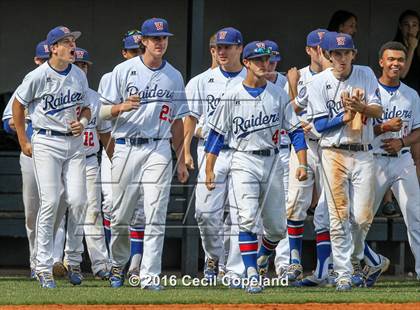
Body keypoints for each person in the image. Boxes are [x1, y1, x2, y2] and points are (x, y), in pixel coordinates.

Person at [205, 40, 308, 293]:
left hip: (273, 160)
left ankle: (263, 255)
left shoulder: (279, 93)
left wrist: (302, 162)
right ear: (247, 63)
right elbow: (216, 136)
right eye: (258, 60)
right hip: (243, 159)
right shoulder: (232, 94)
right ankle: (251, 272)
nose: (264, 64)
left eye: (267, 59)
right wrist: (209, 169)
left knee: (276, 228)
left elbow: (295, 131)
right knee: (247, 218)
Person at [99, 17, 189, 289]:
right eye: (154, 39)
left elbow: (178, 120)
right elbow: (99, 114)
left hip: (158, 147)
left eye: (164, 38)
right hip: (126, 145)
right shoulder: (123, 70)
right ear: (143, 41)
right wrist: (120, 107)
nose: (160, 43)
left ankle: (150, 275)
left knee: (156, 212)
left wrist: (182, 157)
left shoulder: (173, 75)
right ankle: (118, 263)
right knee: (121, 214)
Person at [12, 26, 91, 288]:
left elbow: (87, 107)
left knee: (79, 201)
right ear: (53, 48)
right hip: (46, 140)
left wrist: (82, 120)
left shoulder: (79, 74)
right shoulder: (37, 75)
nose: (72, 45)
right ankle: (43, 266)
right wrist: (23, 139)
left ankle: (73, 260)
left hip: (74, 143)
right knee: (51, 200)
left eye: (73, 41)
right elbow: (18, 105)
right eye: (66, 42)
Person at [307, 32, 383, 291]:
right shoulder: (318, 82)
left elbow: (378, 111)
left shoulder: (366, 74)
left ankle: (357, 255)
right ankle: (343, 273)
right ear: (328, 56)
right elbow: (318, 125)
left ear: (354, 54)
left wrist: (359, 108)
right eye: (336, 54)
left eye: (346, 53)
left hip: (363, 151)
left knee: (362, 217)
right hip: (333, 151)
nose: (341, 58)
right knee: (338, 217)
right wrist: (345, 114)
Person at [183, 27, 246, 284]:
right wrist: (185, 151)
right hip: (211, 152)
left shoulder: (251, 79)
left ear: (240, 48)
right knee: (205, 213)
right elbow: (190, 117)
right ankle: (213, 256)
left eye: (228, 46)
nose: (222, 51)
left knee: (241, 215)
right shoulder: (201, 80)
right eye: (219, 47)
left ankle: (232, 270)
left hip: (243, 154)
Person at [354, 41, 420, 286]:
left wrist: (402, 141)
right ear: (381, 62)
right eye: (391, 59)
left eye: (400, 60)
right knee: (361, 219)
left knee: (416, 216)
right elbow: (356, 129)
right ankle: (365, 266)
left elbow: (418, 130)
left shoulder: (411, 94)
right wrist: (383, 127)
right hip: (374, 160)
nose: (396, 64)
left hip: (402, 161)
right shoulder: (369, 92)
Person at [98, 29, 146, 280]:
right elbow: (100, 119)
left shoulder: (154, 76)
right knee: (111, 206)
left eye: (140, 50)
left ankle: (136, 265)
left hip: (143, 148)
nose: (136, 55)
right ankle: (112, 261)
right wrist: (112, 153)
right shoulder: (112, 76)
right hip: (115, 146)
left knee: (139, 209)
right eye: (132, 51)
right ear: (124, 52)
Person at [2, 40, 49, 279]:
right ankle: (35, 263)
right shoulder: (27, 83)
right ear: (35, 60)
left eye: (47, 59)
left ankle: (50, 263)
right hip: (30, 153)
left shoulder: (65, 83)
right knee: (33, 211)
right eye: (41, 59)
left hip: (57, 152)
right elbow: (6, 122)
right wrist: (14, 127)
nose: (43, 63)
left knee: (57, 208)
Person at [68, 47, 113, 281]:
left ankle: (100, 264)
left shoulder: (95, 99)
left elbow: (104, 134)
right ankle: (61, 262)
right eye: (77, 64)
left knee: (92, 212)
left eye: (84, 65)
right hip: (63, 161)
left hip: (88, 160)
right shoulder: (60, 95)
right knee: (60, 212)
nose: (81, 68)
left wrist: (116, 162)